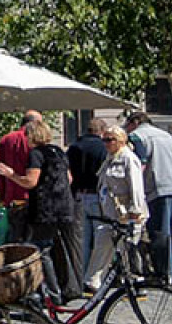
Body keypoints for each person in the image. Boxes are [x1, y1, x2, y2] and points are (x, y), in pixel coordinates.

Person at [0, 118, 79, 303]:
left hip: (45, 209)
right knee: (51, 248)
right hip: (64, 207)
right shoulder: (58, 151)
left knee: (41, 249)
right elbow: (69, 179)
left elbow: (30, 182)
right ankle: (58, 289)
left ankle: (51, 293)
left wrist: (11, 175)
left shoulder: (36, 154)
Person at [123, 110, 172, 286]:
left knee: (160, 233)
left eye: (127, 125)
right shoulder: (168, 136)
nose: (126, 130)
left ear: (134, 122)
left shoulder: (136, 136)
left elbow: (139, 164)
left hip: (158, 187)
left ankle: (162, 275)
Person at [84, 124, 147, 293]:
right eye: (104, 139)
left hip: (127, 214)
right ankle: (92, 282)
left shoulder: (128, 158)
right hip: (110, 213)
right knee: (102, 244)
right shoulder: (109, 158)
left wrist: (135, 210)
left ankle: (136, 283)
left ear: (120, 140)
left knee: (128, 249)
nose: (105, 143)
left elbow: (136, 187)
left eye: (109, 140)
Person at [67, 116, 108, 275]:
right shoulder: (103, 148)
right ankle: (95, 276)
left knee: (82, 239)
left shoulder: (74, 147)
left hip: (78, 195)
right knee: (100, 238)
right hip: (97, 196)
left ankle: (80, 274)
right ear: (102, 132)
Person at [0, 110, 42, 243]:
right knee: (34, 241)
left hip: (13, 199)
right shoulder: (35, 139)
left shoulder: (6, 140)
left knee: (15, 240)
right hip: (34, 198)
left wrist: (3, 196)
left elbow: (0, 172)